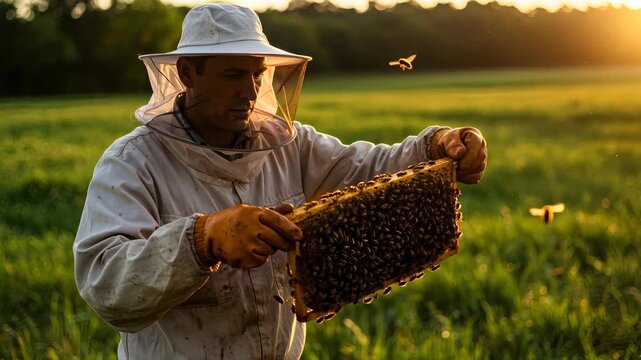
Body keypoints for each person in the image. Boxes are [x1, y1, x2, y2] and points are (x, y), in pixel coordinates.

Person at [73, 3, 487, 359]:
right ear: (187, 73)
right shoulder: (133, 162)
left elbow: (367, 169)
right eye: (233, 75)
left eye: (257, 74)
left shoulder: (288, 143)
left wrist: (436, 147)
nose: (250, 92)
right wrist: (202, 240)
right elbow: (105, 284)